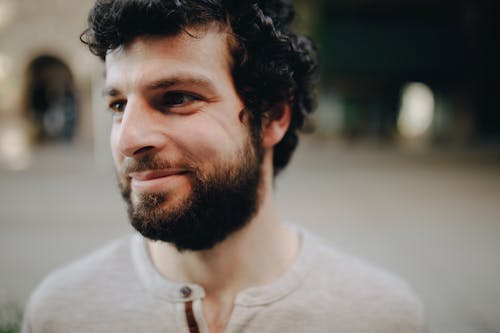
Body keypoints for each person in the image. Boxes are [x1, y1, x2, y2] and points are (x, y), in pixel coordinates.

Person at [22, 1, 426, 332]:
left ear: (272, 115)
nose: (128, 140)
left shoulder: (380, 317)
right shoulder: (61, 313)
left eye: (176, 97)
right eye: (117, 106)